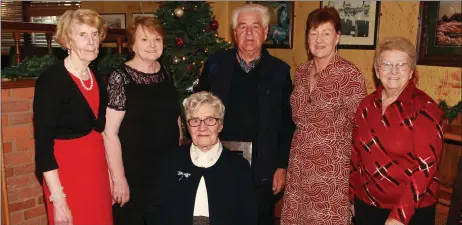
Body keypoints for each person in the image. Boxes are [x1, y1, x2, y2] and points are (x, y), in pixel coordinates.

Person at [195, 4, 295, 225]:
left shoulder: (280, 71)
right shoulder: (215, 65)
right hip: (219, 165)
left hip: (263, 171)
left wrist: (281, 166)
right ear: (234, 33)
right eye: (243, 27)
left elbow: (287, 124)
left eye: (255, 26)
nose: (249, 33)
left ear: (266, 32)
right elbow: (197, 112)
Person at [280, 7, 367, 225]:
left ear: (337, 37)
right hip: (299, 165)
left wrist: (355, 183)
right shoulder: (300, 72)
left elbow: (361, 130)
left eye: (326, 33)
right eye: (313, 32)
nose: (319, 40)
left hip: (332, 172)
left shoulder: (350, 75)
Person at [349, 36, 444, 225]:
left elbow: (425, 168)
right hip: (367, 206)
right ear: (377, 70)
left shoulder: (426, 109)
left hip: (412, 212)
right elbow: (356, 156)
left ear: (411, 72)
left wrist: (399, 216)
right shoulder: (366, 105)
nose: (393, 71)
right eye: (386, 64)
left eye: (401, 64)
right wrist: (352, 197)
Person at [33, 9, 112, 225]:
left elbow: (103, 132)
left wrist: (113, 176)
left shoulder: (95, 76)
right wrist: (58, 200)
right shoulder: (51, 82)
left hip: (97, 173)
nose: (91, 41)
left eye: (95, 34)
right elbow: (43, 148)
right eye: (83, 35)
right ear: (68, 40)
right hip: (67, 177)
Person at [103, 16, 182, 225]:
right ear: (133, 45)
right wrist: (118, 179)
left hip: (165, 170)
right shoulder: (120, 77)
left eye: (157, 39)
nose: (152, 45)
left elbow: (175, 120)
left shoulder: (166, 73)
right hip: (133, 173)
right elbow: (109, 133)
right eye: (145, 39)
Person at [145, 91, 258, 225]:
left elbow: (248, 218)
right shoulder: (170, 161)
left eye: (210, 120)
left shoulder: (239, 167)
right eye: (195, 120)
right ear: (187, 126)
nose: (202, 127)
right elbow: (154, 213)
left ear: (220, 125)